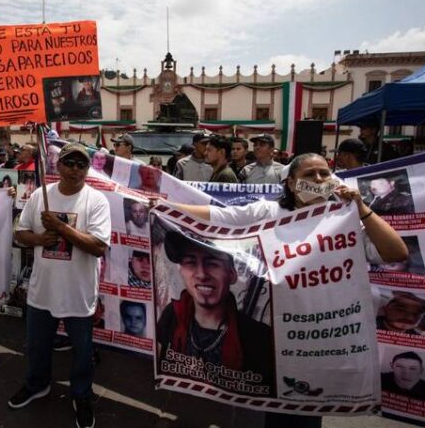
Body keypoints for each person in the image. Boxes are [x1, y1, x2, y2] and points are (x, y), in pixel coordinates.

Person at [167, 152, 408, 428]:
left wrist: (361, 207)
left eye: (324, 173)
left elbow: (396, 252)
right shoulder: (269, 213)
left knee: (304, 410)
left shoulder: (345, 220)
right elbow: (221, 216)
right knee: (262, 409)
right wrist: (167, 207)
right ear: (291, 183)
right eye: (309, 175)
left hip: (317, 337)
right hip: (272, 333)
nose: (318, 179)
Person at [9, 143, 111, 428]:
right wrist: (39, 239)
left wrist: (61, 226)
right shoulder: (41, 195)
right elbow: (20, 232)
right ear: (58, 165)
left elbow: (99, 247)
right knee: (38, 346)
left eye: (82, 164)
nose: (75, 169)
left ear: (88, 169)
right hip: (43, 289)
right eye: (69, 163)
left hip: (78, 292)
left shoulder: (97, 201)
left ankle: (82, 395)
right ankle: (37, 384)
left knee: (82, 352)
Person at [157, 226, 273, 392]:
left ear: (232, 274)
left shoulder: (259, 338)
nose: (202, 274)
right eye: (190, 263)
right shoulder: (171, 316)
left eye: (212, 263)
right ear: (180, 270)